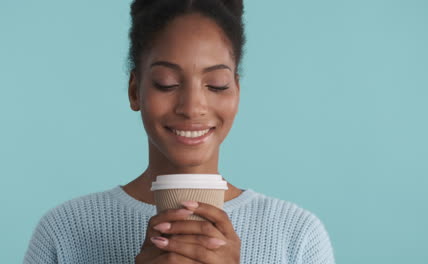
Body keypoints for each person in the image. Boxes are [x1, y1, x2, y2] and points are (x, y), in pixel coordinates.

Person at [23, 0, 336, 263]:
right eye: (167, 84)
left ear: (236, 93)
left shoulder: (296, 236)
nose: (192, 106)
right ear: (135, 91)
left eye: (216, 85)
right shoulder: (63, 232)